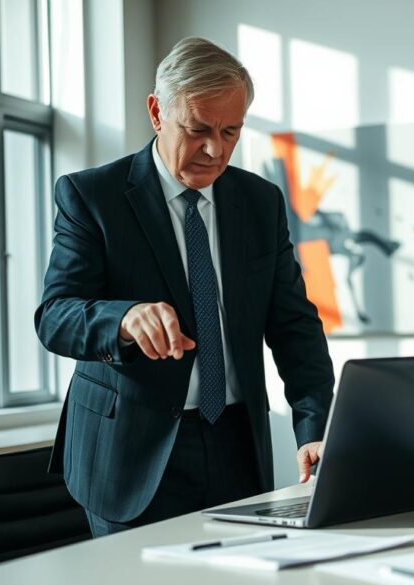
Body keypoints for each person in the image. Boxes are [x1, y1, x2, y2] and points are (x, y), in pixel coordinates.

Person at [35, 37, 334, 537]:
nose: (215, 149)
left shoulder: (260, 202)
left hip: (238, 443)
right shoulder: (92, 196)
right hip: (130, 452)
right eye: (197, 130)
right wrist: (123, 319)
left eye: (230, 131)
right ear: (157, 112)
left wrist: (316, 428)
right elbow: (56, 316)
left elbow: (295, 326)